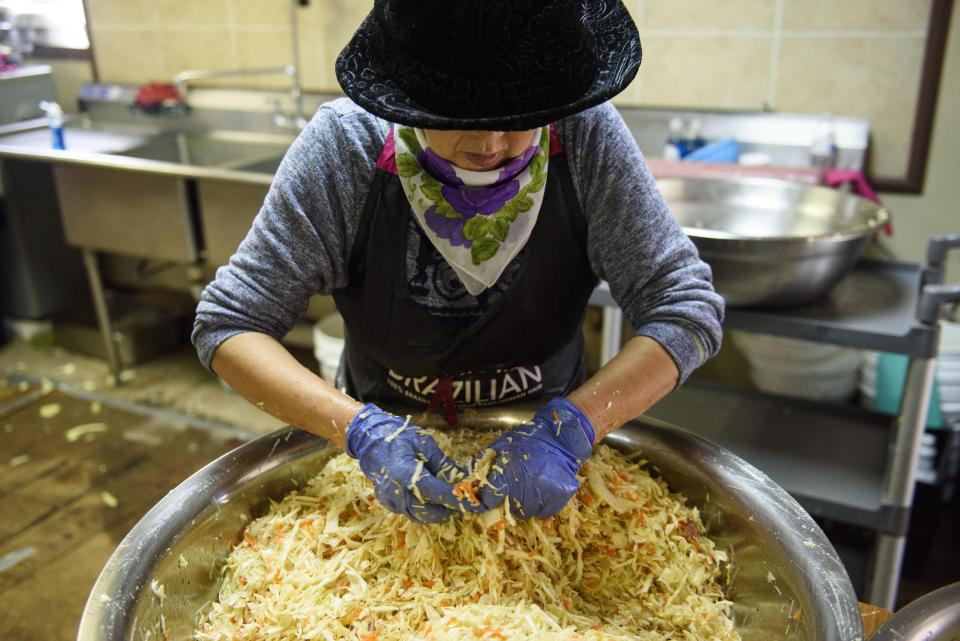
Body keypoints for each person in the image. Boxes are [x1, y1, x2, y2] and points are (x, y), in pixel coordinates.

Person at [192, 0, 724, 525]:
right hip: (384, 450)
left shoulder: (586, 138)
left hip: (547, 457)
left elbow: (685, 307)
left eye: (521, 117)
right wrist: (360, 431)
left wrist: (574, 427)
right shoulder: (345, 148)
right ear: (403, 91)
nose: (489, 143)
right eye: (454, 116)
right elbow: (231, 325)